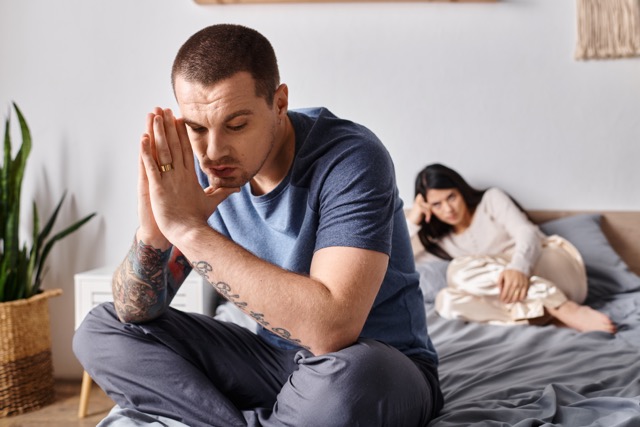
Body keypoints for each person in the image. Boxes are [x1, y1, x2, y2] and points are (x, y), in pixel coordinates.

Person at [73, 24, 443, 427]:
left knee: (351, 382)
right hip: (271, 362)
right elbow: (135, 311)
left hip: (370, 363)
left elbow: (331, 330)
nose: (213, 152)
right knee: (101, 330)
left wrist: (188, 229)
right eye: (196, 128)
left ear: (279, 102)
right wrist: (155, 234)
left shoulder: (350, 158)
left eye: (236, 125)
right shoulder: (199, 172)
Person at [407, 163, 616, 334]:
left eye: (451, 197)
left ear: (461, 191)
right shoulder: (442, 241)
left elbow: (527, 233)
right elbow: (398, 257)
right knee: (446, 302)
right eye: (437, 205)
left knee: (456, 271)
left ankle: (564, 307)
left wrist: (518, 268)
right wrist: (413, 220)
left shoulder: (491, 199)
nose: (448, 209)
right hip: (520, 297)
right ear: (429, 208)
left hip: (552, 267)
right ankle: (550, 318)